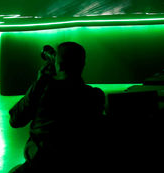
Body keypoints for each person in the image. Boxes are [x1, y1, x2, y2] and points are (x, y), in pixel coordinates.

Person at [8, 42, 106, 172]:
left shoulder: (43, 93)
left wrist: (38, 84)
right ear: (83, 64)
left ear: (57, 65)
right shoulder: (96, 96)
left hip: (41, 163)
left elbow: (15, 120)